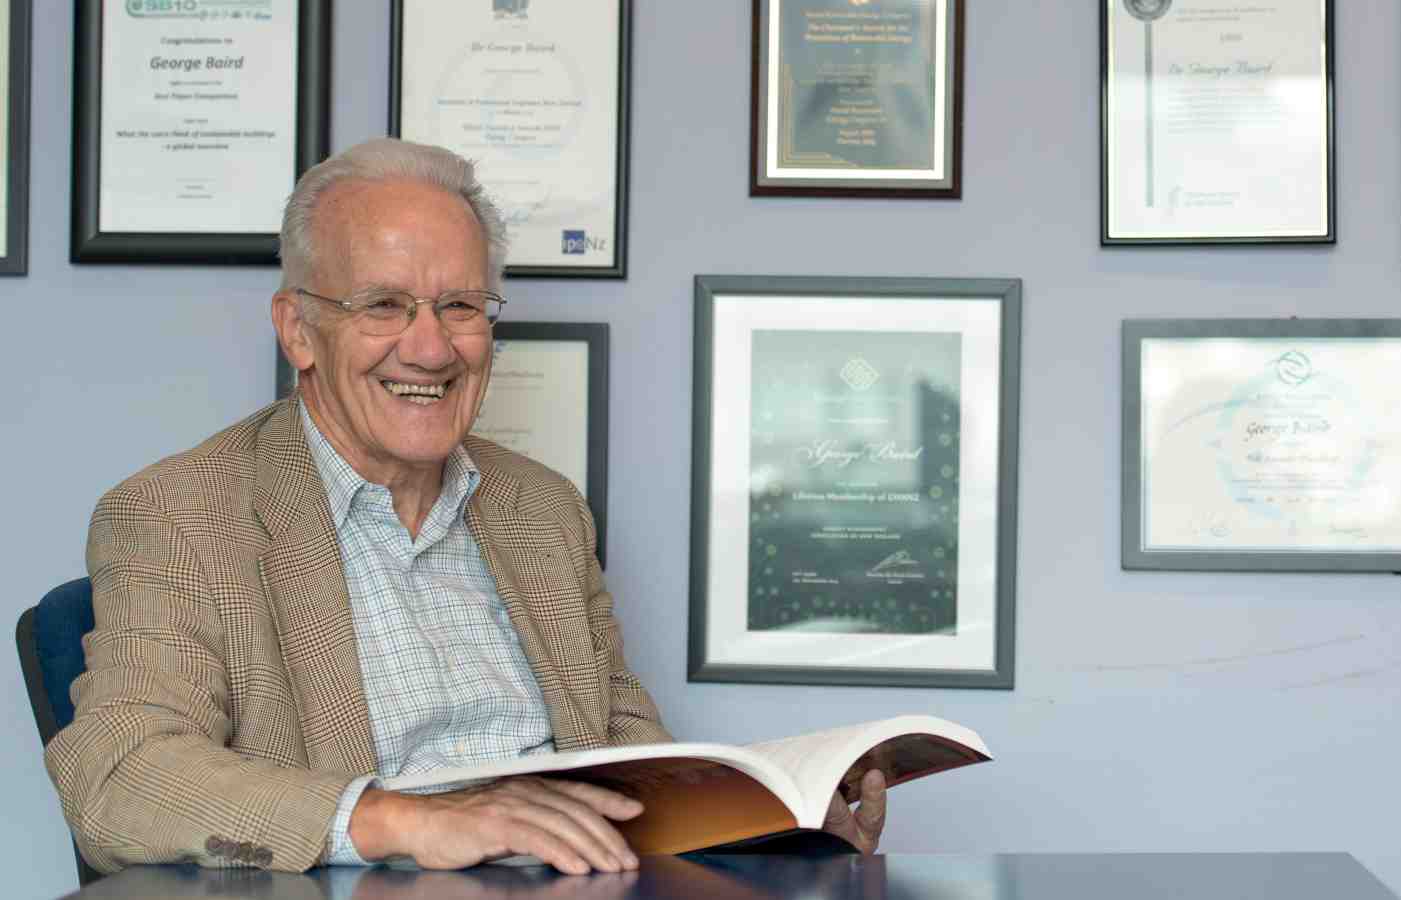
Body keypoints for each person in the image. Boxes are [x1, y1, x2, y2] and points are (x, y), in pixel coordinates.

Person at [44, 138, 887, 876]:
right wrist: (410, 821)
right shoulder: (179, 515)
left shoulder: (545, 514)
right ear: (297, 330)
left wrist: (786, 828)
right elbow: (117, 775)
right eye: (383, 304)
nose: (431, 347)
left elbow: (641, 775)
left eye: (460, 306)